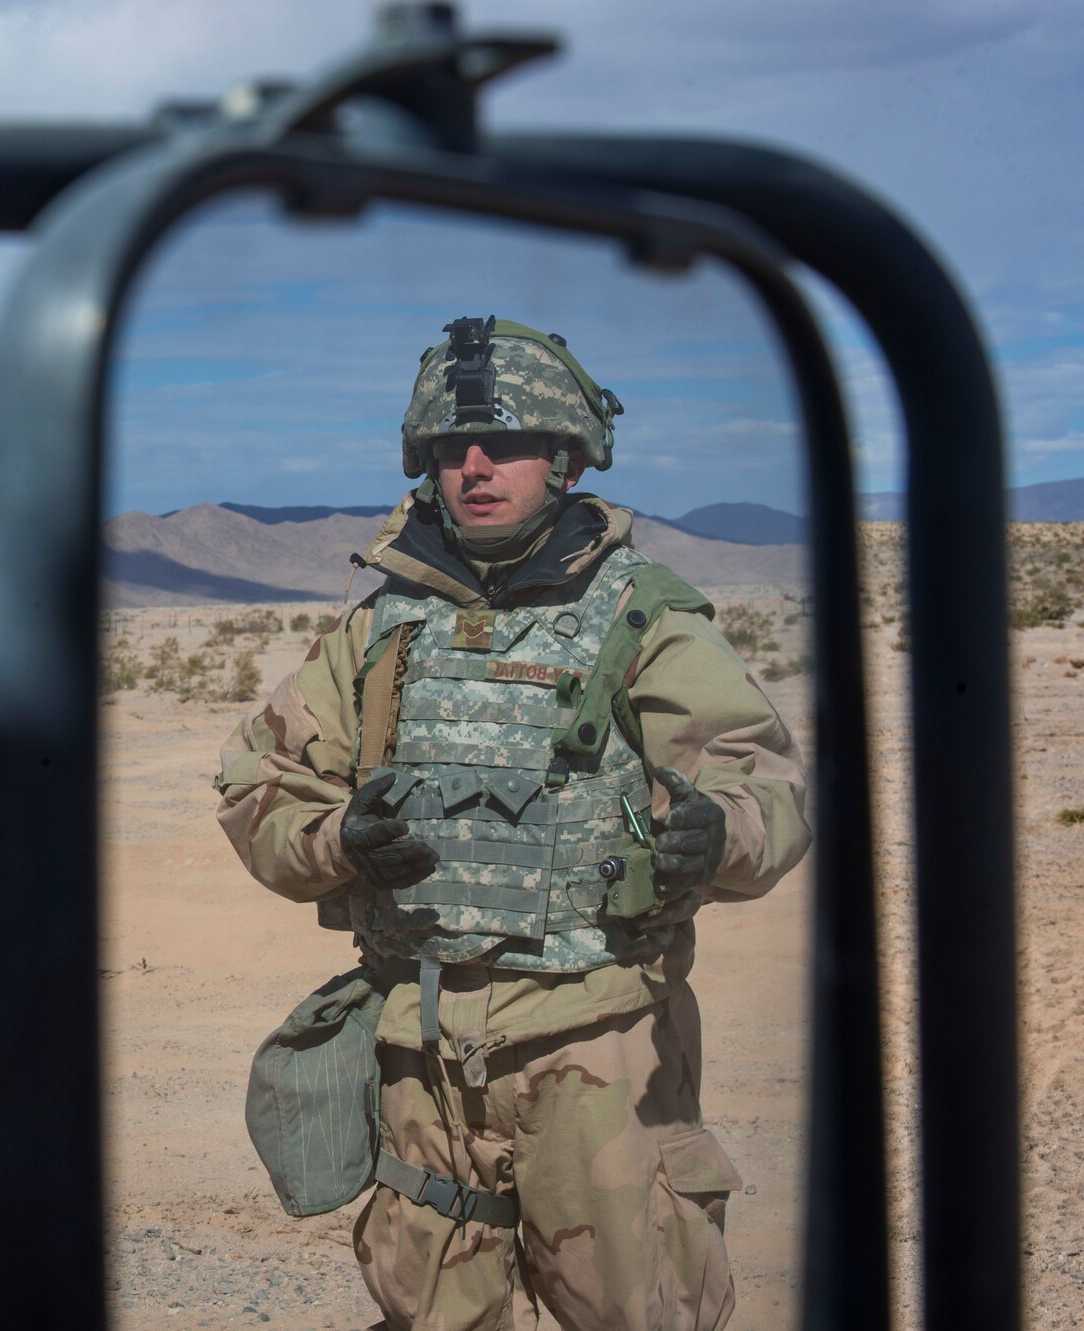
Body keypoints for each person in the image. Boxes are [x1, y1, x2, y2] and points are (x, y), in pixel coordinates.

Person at [216, 317, 811, 1330]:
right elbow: (255, 785)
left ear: (567, 457)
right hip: (421, 1050)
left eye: (506, 442)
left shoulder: (642, 615)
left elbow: (763, 779)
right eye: (450, 448)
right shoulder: (377, 627)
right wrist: (335, 841)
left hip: (597, 1045)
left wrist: (720, 834)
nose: (475, 466)